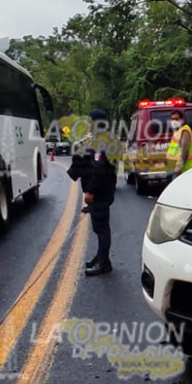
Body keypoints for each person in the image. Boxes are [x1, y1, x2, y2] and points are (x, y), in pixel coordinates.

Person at [66, 109, 117, 276]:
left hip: (101, 192)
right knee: (99, 227)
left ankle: (104, 263)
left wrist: (91, 191)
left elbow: (99, 168)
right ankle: (102, 258)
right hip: (104, 191)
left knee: (101, 227)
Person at [165, 109, 192, 184]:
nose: (174, 121)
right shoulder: (178, 130)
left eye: (176, 119)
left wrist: (179, 167)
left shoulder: (185, 130)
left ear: (182, 119)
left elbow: (185, 150)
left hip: (184, 169)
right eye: (172, 119)